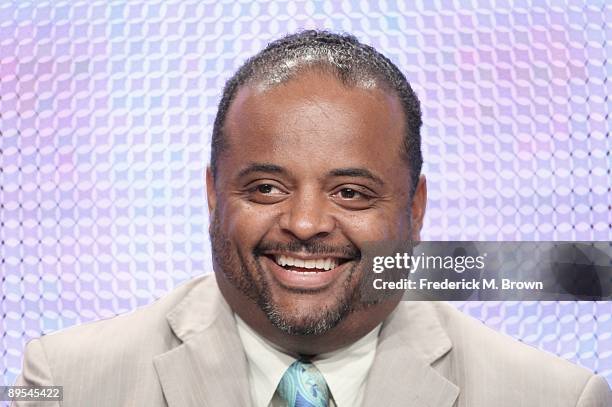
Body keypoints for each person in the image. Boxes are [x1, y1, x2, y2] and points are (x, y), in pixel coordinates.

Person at [14, 30, 610, 407]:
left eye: (351, 192)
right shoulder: (63, 383)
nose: (304, 223)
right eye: (266, 187)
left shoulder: (558, 398)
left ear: (416, 209)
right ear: (213, 193)